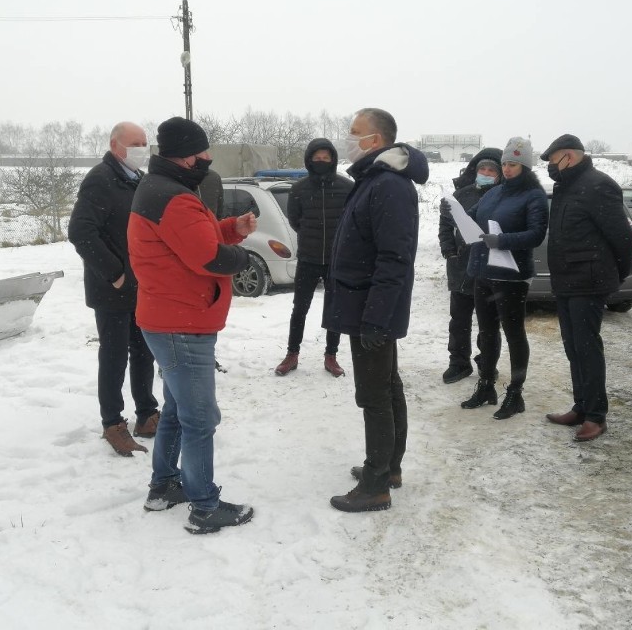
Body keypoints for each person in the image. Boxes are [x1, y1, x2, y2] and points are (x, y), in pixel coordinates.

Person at [128, 116, 256, 534]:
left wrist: (230, 229)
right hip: (182, 324)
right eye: (202, 153)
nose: (207, 158)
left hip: (168, 318)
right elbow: (207, 257)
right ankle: (204, 505)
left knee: (178, 411)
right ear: (185, 154)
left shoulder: (162, 190)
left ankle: (164, 485)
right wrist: (243, 257)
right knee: (200, 417)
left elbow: (189, 237)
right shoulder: (174, 197)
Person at [323, 108, 428, 512]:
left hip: (372, 309)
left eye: (355, 133)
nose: (348, 139)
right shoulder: (373, 180)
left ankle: (376, 484)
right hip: (366, 305)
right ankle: (389, 467)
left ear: (377, 141)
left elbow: (393, 258)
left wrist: (375, 317)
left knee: (375, 396)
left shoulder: (388, 186)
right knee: (387, 387)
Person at [68, 121, 159, 457]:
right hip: (113, 288)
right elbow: (80, 232)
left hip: (140, 286)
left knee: (144, 352)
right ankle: (112, 424)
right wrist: (115, 273)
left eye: (145, 142)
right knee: (114, 355)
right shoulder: (100, 179)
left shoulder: (138, 180)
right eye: (135, 142)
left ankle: (147, 414)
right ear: (115, 145)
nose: (142, 148)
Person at [442, 138, 548, 418]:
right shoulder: (493, 194)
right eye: (504, 164)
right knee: (487, 332)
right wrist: (453, 213)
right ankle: (486, 384)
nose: (507, 169)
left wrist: (501, 240)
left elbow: (536, 234)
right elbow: (472, 221)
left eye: (512, 164)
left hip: (511, 276)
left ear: (524, 166)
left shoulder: (533, 196)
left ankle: (515, 392)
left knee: (514, 334)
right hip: (483, 273)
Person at [542, 134, 632, 442]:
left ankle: (596, 415)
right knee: (573, 348)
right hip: (567, 282)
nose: (551, 168)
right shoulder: (567, 187)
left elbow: (622, 237)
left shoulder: (598, 185)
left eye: (553, 161)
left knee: (587, 348)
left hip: (588, 282)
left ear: (569, 156)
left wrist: (617, 274)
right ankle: (581, 406)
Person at [274, 138, 353, 377]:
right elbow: (295, 221)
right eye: (316, 158)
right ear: (309, 160)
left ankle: (331, 355)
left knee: (334, 310)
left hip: (335, 261)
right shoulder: (298, 189)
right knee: (300, 309)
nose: (321, 162)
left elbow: (351, 221)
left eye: (325, 158)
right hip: (308, 259)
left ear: (332, 160)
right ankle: (292, 354)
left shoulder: (347, 187)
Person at [438, 149, 503, 384]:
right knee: (459, 321)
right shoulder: (461, 194)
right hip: (461, 267)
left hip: (490, 268)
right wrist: (449, 250)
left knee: (489, 323)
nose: (485, 173)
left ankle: (487, 363)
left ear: (499, 174)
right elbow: (446, 225)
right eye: (482, 170)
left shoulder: (503, 196)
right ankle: (458, 363)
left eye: (491, 170)